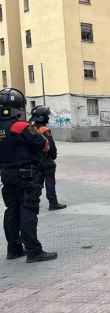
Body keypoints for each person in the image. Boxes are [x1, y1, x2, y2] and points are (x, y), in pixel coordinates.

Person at [0, 88, 57, 263]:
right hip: (26, 176)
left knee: (12, 211)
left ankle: (14, 249)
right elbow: (44, 146)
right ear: (18, 107)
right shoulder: (20, 126)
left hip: (6, 175)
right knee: (28, 210)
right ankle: (33, 250)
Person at [31, 106, 67, 211]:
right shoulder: (45, 130)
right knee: (50, 182)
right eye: (47, 116)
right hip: (46, 161)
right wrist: (53, 156)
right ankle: (53, 203)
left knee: (37, 183)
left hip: (36, 161)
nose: (48, 118)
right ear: (43, 118)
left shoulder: (31, 129)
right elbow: (51, 146)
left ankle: (33, 202)